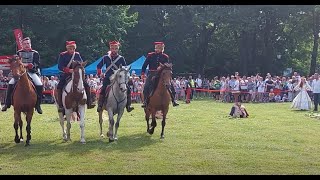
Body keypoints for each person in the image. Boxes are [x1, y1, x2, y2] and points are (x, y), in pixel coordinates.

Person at [2, 37, 43, 114]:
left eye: (28, 43)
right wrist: (25, 65)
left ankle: (38, 105)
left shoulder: (35, 53)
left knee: (39, 84)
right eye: (25, 44)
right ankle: (7, 103)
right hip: (20, 73)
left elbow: (37, 64)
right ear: (22, 45)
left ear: (30, 44)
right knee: (10, 84)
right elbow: (15, 62)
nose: (26, 45)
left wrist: (32, 66)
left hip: (31, 72)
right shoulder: (18, 53)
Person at [56, 41, 95, 112]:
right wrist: (68, 70)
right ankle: (61, 105)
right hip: (67, 74)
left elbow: (81, 64)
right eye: (70, 48)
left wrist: (78, 69)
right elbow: (60, 66)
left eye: (73, 48)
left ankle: (89, 102)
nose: (72, 50)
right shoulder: (62, 55)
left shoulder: (77, 55)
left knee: (86, 85)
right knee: (59, 86)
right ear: (67, 48)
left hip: (77, 74)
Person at [96, 40, 134, 113]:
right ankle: (100, 105)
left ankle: (128, 105)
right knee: (103, 89)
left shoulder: (121, 58)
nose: (114, 50)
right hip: (108, 77)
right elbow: (99, 66)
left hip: (118, 78)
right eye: (112, 48)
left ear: (118, 49)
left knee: (128, 89)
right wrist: (100, 73)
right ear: (110, 49)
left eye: (115, 48)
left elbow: (125, 68)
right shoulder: (105, 58)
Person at [141, 42, 179, 108]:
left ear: (162, 49)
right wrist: (142, 73)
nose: (156, 49)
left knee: (171, 86)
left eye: (158, 48)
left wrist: (161, 67)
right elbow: (144, 65)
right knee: (146, 87)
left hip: (162, 74)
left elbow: (167, 66)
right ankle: (145, 102)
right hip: (151, 74)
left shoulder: (165, 56)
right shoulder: (150, 55)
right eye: (155, 48)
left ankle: (173, 100)